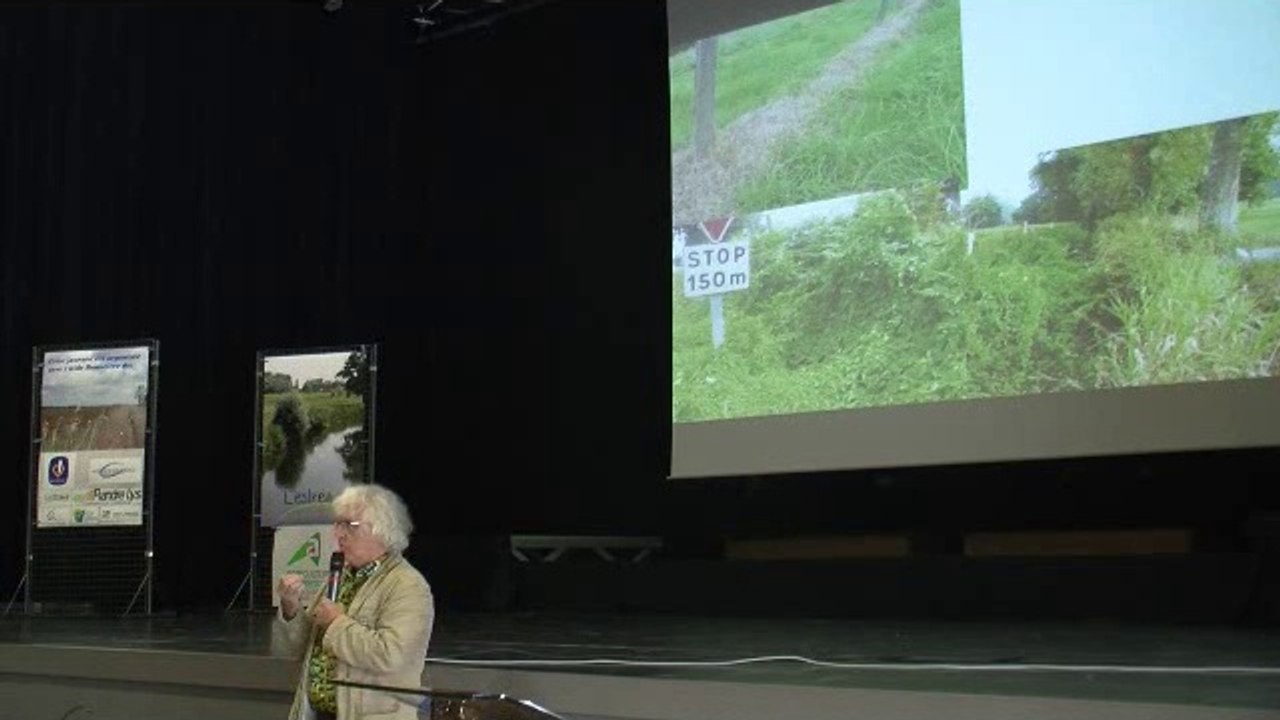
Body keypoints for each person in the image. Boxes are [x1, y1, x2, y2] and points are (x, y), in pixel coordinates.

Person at [274, 483, 434, 720]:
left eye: (349, 525)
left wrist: (337, 622)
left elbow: (390, 655)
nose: (337, 534)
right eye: (337, 524)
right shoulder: (338, 576)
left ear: (381, 529)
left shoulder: (408, 586)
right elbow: (300, 650)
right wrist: (291, 608)